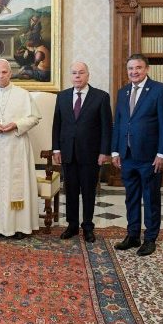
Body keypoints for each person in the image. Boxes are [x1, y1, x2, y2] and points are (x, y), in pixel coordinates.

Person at [111, 53, 163, 256]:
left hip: (150, 156)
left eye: (138, 68)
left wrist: (162, 153)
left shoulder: (159, 90)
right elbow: (119, 123)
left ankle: (150, 238)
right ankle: (133, 235)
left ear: (146, 69)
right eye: (130, 68)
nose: (134, 72)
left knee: (151, 197)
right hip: (127, 155)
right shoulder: (123, 92)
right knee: (131, 197)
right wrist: (115, 150)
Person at [0, 59, 41, 239]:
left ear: (10, 73)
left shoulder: (23, 94)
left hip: (16, 146)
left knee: (16, 185)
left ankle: (19, 227)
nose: (1, 76)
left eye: (4, 72)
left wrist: (16, 124)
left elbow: (34, 117)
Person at [52, 61, 112, 243]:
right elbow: (57, 125)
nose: (77, 76)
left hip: (91, 154)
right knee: (70, 191)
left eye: (81, 72)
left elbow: (107, 127)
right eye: (74, 73)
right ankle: (72, 225)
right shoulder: (62, 96)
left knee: (88, 192)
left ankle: (87, 227)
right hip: (68, 153)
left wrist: (104, 151)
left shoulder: (101, 97)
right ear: (71, 76)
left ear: (87, 75)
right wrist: (56, 148)